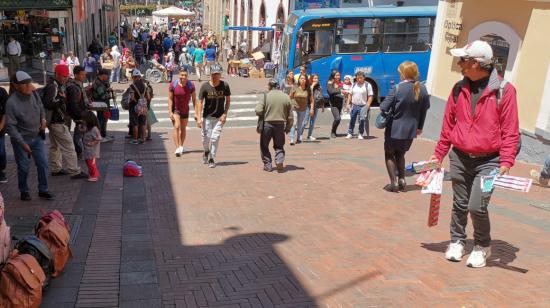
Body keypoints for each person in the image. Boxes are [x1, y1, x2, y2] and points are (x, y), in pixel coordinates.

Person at [429, 40, 520, 268]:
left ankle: (482, 245)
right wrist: (439, 153)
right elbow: (448, 124)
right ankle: (457, 241)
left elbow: (511, 130)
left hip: (490, 162)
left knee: (477, 205)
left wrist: (507, 160)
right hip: (459, 157)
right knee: (460, 203)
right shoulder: (459, 88)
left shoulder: (505, 91)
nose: (459, 64)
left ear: (478, 63)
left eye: (464, 60)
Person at [380, 61, 430, 192]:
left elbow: (383, 107)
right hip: (411, 130)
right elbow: (424, 110)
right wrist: (420, 127)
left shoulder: (397, 88)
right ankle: (402, 179)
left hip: (394, 128)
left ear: (403, 73)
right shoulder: (423, 89)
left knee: (389, 154)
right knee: (401, 154)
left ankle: (393, 183)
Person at [5, 71, 54, 201]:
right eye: (25, 84)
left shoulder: (34, 94)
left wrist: (43, 119)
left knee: (43, 164)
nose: (29, 86)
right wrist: (22, 143)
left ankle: (43, 189)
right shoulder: (11, 103)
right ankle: (24, 190)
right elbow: (11, 127)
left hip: (36, 137)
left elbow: (41, 107)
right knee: (23, 166)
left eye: (29, 83)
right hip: (21, 139)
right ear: (16, 86)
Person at [42, 64, 88, 179]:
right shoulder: (53, 86)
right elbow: (48, 103)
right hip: (56, 121)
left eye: (66, 76)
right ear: (57, 74)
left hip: (54, 121)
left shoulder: (56, 85)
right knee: (69, 145)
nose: (65, 78)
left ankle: (56, 168)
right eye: (63, 76)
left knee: (55, 146)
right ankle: (74, 170)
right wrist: (61, 100)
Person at [196, 64, 231, 168]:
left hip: (219, 118)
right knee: (205, 138)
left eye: (217, 74)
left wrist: (225, 114)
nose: (215, 76)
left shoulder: (225, 85)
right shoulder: (205, 86)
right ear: (210, 74)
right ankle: (206, 151)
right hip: (207, 117)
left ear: (220, 75)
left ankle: (212, 157)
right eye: (213, 74)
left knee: (215, 138)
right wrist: (198, 117)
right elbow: (200, 102)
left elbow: (228, 100)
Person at [255, 79, 294, 173]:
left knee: (264, 146)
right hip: (280, 125)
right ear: (278, 86)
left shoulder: (265, 96)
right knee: (279, 146)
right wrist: (288, 127)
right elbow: (290, 115)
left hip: (267, 125)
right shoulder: (286, 97)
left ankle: (268, 165)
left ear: (269, 86)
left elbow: (258, 110)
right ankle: (279, 161)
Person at [169, 68, 196, 157]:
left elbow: (194, 99)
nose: (183, 77)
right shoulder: (173, 85)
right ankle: (177, 148)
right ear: (179, 75)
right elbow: (170, 99)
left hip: (185, 110)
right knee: (176, 126)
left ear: (187, 76)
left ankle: (181, 146)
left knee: (183, 128)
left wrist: (196, 112)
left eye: (185, 75)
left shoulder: (191, 85)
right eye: (181, 75)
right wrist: (170, 112)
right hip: (175, 109)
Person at [66, 65, 90, 158]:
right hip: (78, 113)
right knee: (78, 133)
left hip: (81, 111)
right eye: (82, 75)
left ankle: (79, 150)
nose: (84, 76)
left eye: (84, 74)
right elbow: (73, 103)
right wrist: (79, 115)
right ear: (75, 75)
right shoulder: (73, 86)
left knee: (80, 132)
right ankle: (78, 151)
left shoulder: (79, 83)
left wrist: (87, 102)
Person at [346, 71, 374, 140]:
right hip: (354, 105)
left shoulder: (368, 85)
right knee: (352, 119)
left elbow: (370, 96)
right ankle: (350, 133)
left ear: (364, 78)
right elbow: (350, 94)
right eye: (358, 78)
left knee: (362, 120)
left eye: (361, 78)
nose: (359, 79)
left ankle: (360, 133)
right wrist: (347, 104)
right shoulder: (353, 85)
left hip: (363, 106)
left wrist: (367, 105)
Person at [289, 74, 313, 145]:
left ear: (306, 80)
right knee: (294, 123)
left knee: (300, 124)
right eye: (301, 78)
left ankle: (298, 138)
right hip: (294, 107)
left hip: (303, 109)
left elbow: (311, 100)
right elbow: (290, 96)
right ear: (299, 80)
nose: (303, 80)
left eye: (304, 79)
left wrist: (311, 109)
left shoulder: (308, 88)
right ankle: (292, 139)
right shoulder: (295, 87)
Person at [91, 69, 114, 141]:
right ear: (103, 75)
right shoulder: (98, 83)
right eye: (107, 75)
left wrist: (107, 89)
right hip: (100, 104)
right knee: (101, 119)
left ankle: (103, 135)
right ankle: (100, 136)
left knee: (103, 119)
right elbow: (102, 95)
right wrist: (110, 95)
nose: (107, 77)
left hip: (102, 104)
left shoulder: (101, 82)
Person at [128, 69, 148, 144]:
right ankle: (143, 139)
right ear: (139, 76)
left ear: (133, 77)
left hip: (135, 106)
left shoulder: (132, 86)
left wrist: (135, 101)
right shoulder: (145, 85)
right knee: (143, 122)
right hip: (143, 106)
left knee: (135, 123)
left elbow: (132, 97)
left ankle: (135, 139)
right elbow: (148, 96)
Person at [81, 111, 102, 182]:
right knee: (88, 163)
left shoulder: (94, 129)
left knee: (91, 164)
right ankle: (92, 174)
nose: (83, 121)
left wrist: (93, 143)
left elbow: (99, 138)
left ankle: (94, 175)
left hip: (92, 151)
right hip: (87, 150)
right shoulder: (88, 128)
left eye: (84, 120)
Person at [303, 74, 324, 141]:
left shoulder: (319, 87)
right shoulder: (309, 86)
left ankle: (309, 135)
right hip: (308, 106)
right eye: (314, 78)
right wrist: (312, 85)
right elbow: (308, 94)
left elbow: (321, 97)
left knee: (312, 122)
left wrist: (322, 106)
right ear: (311, 79)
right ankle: (299, 134)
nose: (316, 80)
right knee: (305, 121)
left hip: (316, 106)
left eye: (317, 78)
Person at [327, 70, 344, 138]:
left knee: (338, 119)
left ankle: (334, 131)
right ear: (333, 76)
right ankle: (333, 131)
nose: (338, 76)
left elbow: (345, 89)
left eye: (339, 75)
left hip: (340, 102)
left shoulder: (341, 83)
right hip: (333, 103)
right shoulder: (330, 83)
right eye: (336, 75)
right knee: (337, 118)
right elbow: (330, 91)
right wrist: (340, 90)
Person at [0, 87, 8, 183]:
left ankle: (1, 170)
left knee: (1, 151)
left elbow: (5, 112)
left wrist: (1, 125)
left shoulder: (2, 92)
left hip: (0, 129)